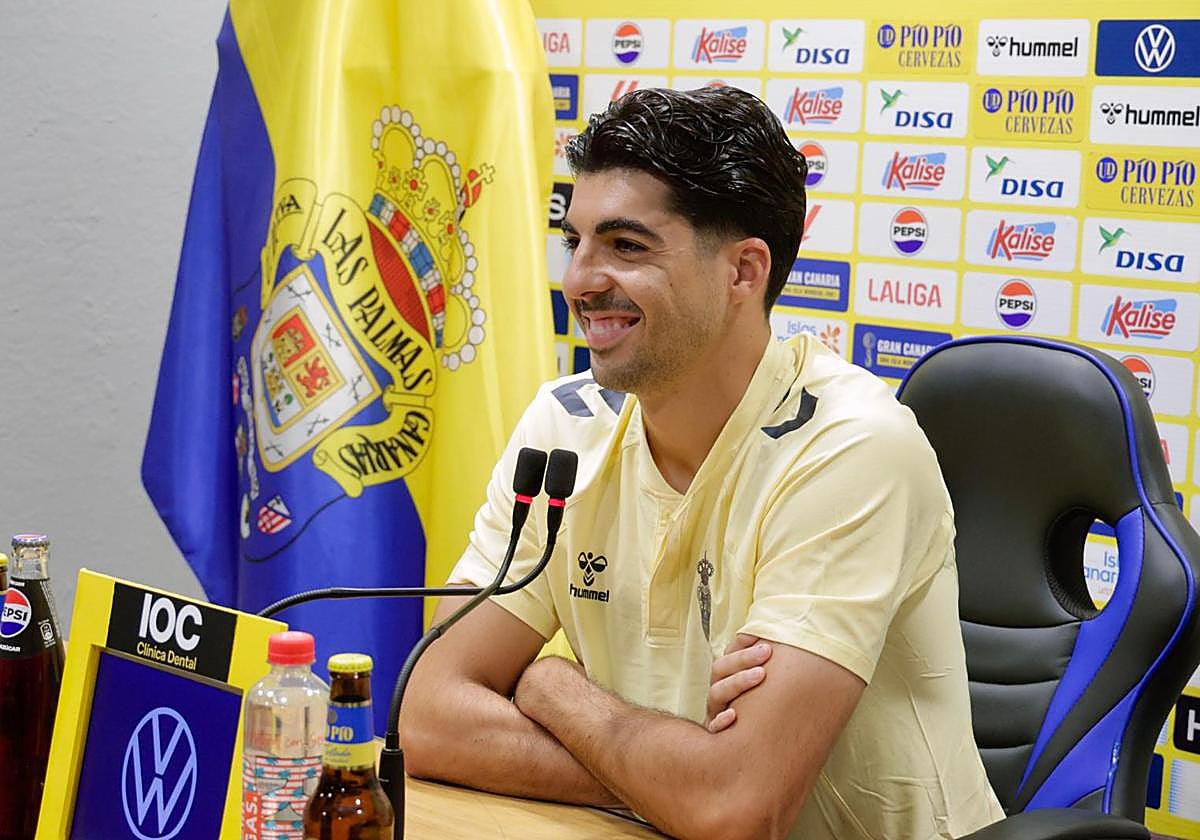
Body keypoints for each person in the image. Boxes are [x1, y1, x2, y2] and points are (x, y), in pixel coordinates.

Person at [400, 86, 1003, 840]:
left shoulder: (851, 448)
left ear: (744, 272)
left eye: (626, 246)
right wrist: (671, 779)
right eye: (575, 242)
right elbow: (426, 713)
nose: (580, 280)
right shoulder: (564, 424)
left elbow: (736, 808)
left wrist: (554, 688)